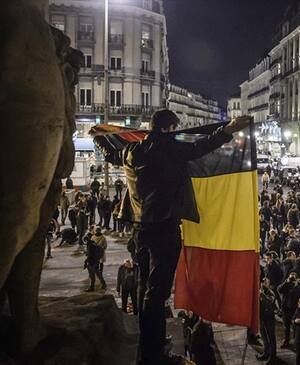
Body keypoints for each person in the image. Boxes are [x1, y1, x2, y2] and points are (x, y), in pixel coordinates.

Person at [92, 109, 252, 365]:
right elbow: (202, 145)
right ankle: (154, 353)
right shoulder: (171, 149)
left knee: (146, 287)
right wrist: (229, 129)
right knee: (156, 294)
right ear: (169, 128)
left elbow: (111, 155)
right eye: (175, 128)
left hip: (139, 229)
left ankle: (149, 347)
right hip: (165, 228)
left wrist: (99, 136)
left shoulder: (132, 151)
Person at [258, 278, 278, 363]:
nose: (263, 284)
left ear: (268, 284)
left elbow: (269, 301)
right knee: (264, 338)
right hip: (262, 318)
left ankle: (272, 357)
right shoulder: (260, 292)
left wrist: (261, 294)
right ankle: (266, 353)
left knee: (271, 338)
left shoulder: (270, 293)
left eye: (265, 283)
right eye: (262, 282)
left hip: (269, 319)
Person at [84, 227, 106, 291]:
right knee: (97, 274)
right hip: (96, 261)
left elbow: (89, 255)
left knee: (92, 275)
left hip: (92, 262)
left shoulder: (90, 245)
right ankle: (103, 284)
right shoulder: (93, 243)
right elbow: (105, 246)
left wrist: (86, 261)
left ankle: (92, 287)